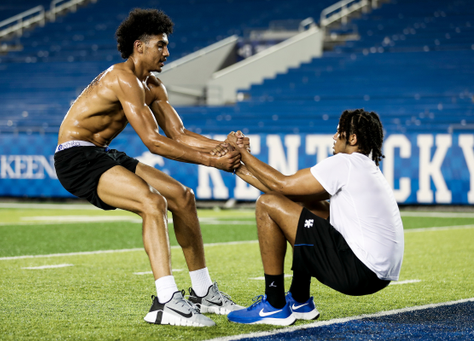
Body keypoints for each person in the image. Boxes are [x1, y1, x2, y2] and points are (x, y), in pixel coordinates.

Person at [54, 8, 247, 327]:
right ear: (138, 46)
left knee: (182, 197)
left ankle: (203, 293)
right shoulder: (121, 77)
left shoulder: (153, 85)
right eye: (161, 45)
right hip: (76, 157)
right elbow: (154, 142)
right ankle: (166, 301)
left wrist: (222, 146)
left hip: (103, 153)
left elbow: (180, 134)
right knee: (152, 202)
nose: (167, 52)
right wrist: (213, 160)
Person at [226, 109, 404, 325]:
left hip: (360, 272)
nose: (334, 137)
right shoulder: (365, 167)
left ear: (353, 138)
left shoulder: (345, 163)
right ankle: (300, 300)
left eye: (339, 132)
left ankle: (273, 304)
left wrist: (241, 153)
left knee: (266, 204)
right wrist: (238, 167)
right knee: (305, 203)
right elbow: (287, 193)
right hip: (376, 275)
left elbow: (280, 184)